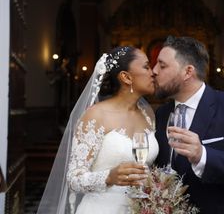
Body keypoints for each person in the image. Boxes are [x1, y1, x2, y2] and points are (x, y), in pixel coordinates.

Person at [153, 36, 224, 214]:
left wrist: (202, 156)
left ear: (187, 72)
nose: (154, 71)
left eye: (162, 65)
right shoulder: (161, 114)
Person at [37, 46, 159, 214]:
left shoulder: (148, 115)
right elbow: (74, 178)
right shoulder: (96, 116)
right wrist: (109, 177)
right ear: (126, 77)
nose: (153, 72)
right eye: (146, 66)